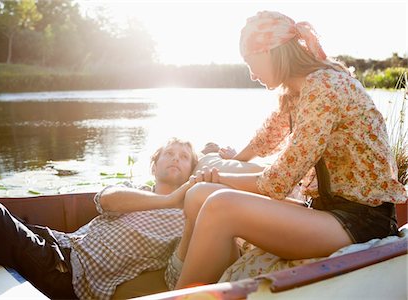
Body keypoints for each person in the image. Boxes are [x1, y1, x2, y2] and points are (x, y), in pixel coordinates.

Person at [168, 11, 407, 289]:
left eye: (250, 60)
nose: (251, 73)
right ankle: (219, 276)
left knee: (220, 206)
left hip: (360, 220)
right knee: (200, 195)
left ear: (270, 51)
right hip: (325, 210)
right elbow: (266, 137)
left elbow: (279, 181)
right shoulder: (297, 90)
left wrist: (220, 178)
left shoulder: (324, 87)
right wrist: (235, 160)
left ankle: (179, 295)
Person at [0, 137, 199, 299]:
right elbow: (104, 199)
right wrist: (169, 200)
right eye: (170, 153)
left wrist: (184, 213)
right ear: (154, 168)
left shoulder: (185, 221)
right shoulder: (135, 191)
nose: (176, 158)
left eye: (184, 156)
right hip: (58, 242)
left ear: (191, 172)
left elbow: (173, 279)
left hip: (65, 271)